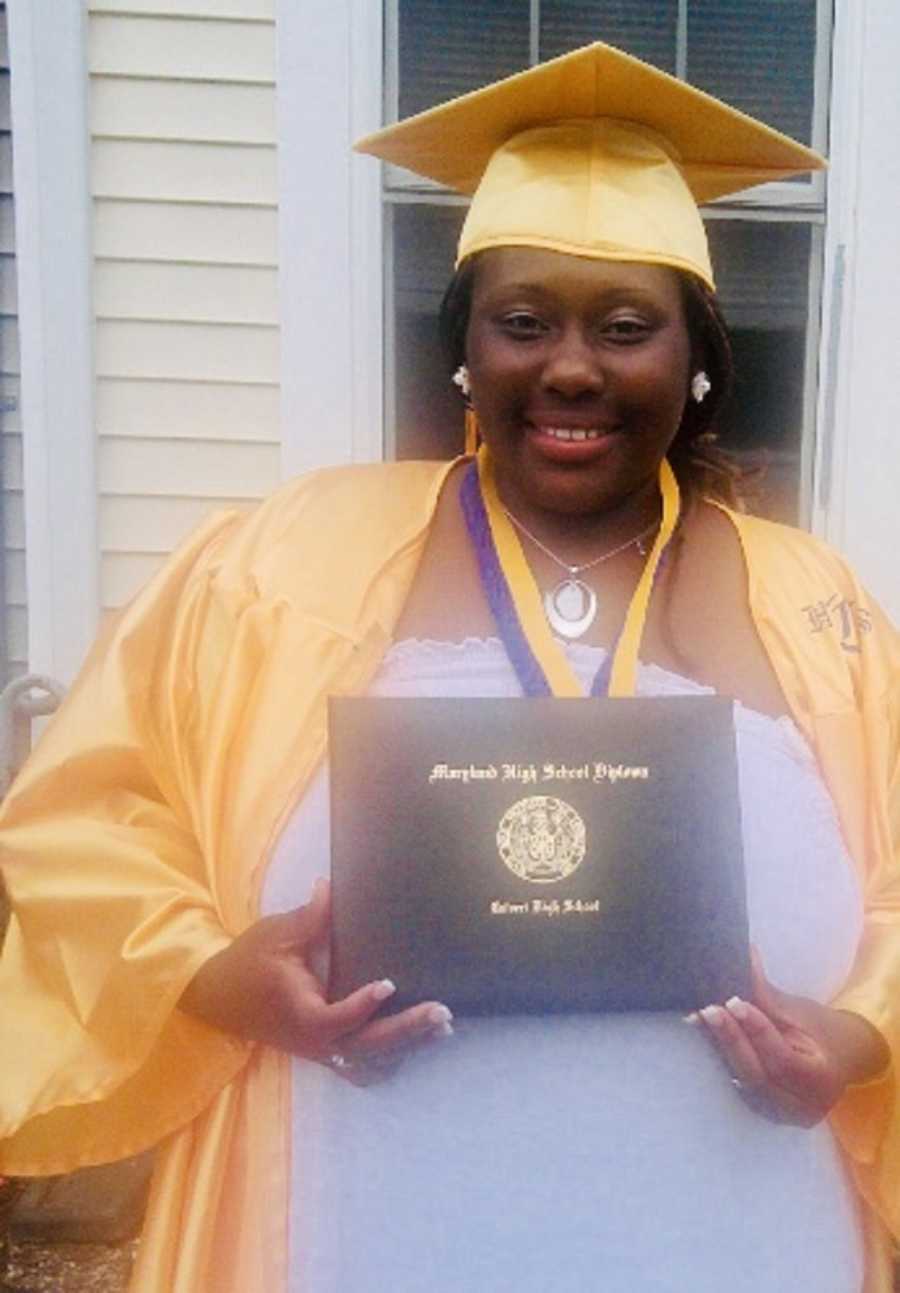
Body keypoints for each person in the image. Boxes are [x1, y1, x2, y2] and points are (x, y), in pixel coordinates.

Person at [1, 39, 899, 1293]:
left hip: (733, 1214)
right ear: (465, 353)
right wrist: (208, 972)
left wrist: (864, 1033)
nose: (571, 367)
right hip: (364, 1201)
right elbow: (87, 809)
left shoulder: (820, 604)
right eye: (522, 322)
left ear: (698, 361)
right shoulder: (279, 560)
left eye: (627, 327)